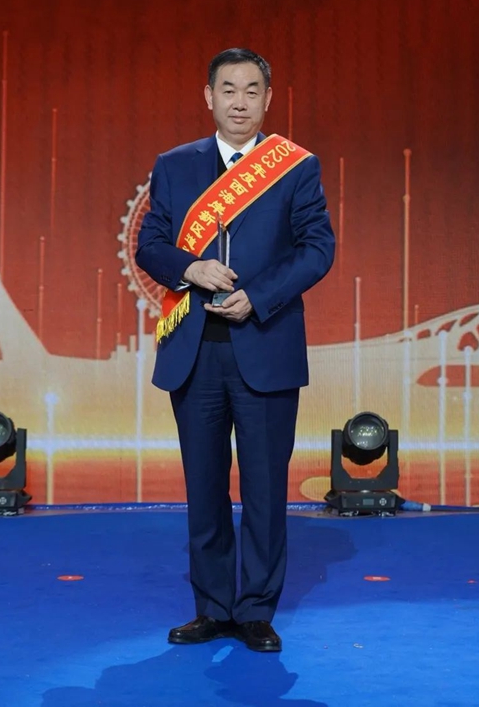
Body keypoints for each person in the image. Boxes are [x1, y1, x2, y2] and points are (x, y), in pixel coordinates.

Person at [136, 47, 335, 652]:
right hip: (195, 350)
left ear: (268, 99)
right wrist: (190, 268)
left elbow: (318, 248)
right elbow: (150, 244)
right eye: (228, 90)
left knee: (265, 489)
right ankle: (213, 607)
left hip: (265, 343)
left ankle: (255, 611)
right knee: (204, 486)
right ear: (209, 97)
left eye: (252, 91)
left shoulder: (295, 167)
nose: (240, 102)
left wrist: (259, 297)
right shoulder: (175, 165)